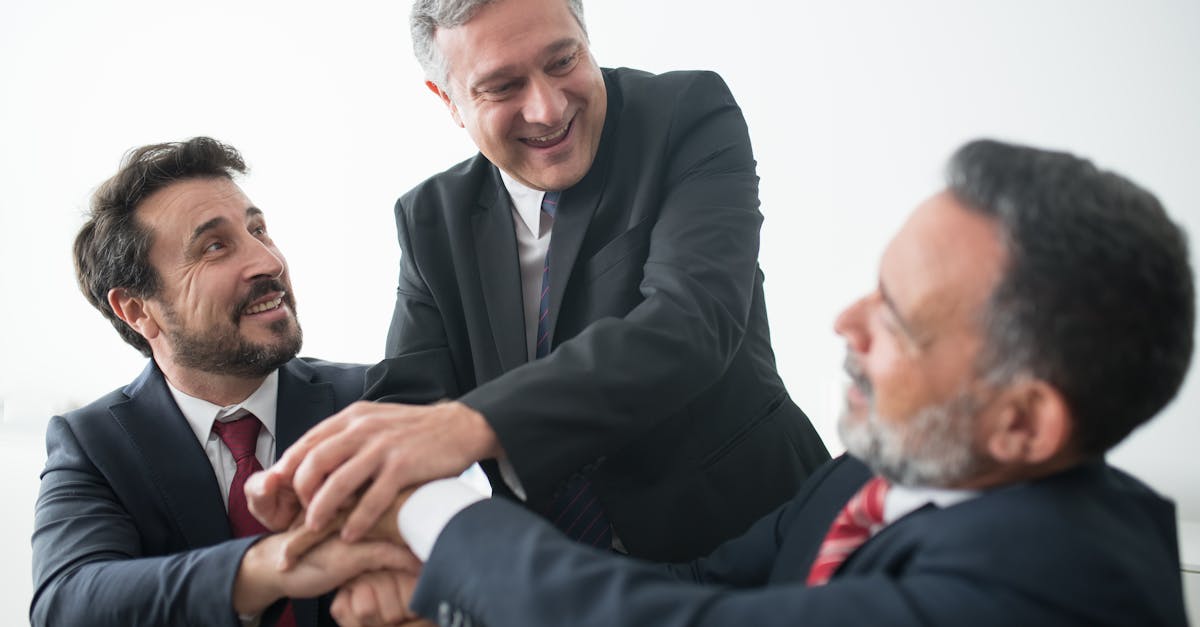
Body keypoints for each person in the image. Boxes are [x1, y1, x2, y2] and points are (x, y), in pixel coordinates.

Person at [313, 139, 1193, 626]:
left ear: (1024, 422)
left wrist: (434, 509)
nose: (846, 324)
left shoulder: (1050, 588)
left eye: (898, 316)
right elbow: (702, 585)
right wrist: (463, 592)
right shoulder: (879, 476)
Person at [258, 0, 830, 563]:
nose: (547, 108)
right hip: (561, 581)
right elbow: (409, 403)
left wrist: (474, 424)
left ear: (586, 36)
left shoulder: (686, 114)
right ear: (449, 101)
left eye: (562, 62)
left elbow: (690, 324)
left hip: (760, 540)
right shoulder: (430, 217)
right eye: (502, 87)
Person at [30, 138, 415, 627]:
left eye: (259, 230)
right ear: (137, 309)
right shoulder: (93, 446)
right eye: (215, 246)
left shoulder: (371, 401)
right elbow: (67, 605)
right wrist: (267, 567)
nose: (268, 262)